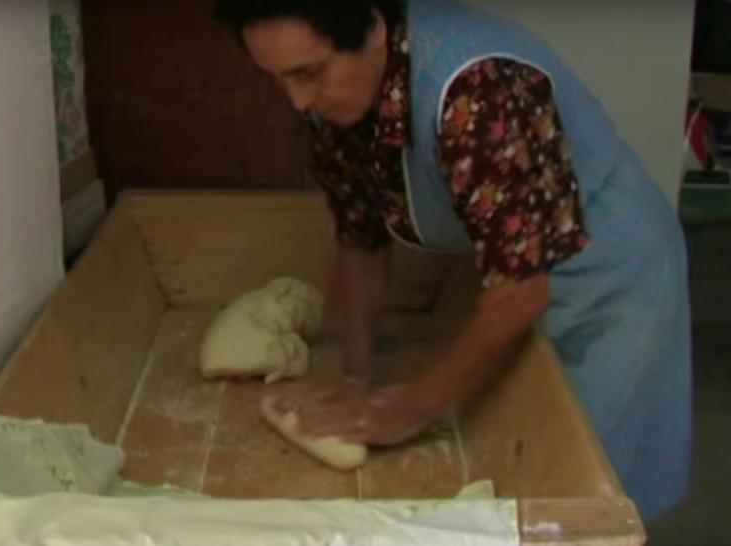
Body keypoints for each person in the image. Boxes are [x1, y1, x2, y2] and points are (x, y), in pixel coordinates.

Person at [213, 0, 692, 522]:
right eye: (278, 79)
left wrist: (409, 408)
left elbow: (522, 293)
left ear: (373, 28)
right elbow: (360, 240)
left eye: (309, 72)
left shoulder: (478, 91)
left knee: (580, 500)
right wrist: (354, 377)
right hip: (524, 282)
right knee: (519, 478)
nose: (298, 99)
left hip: (610, 283)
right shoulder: (331, 101)